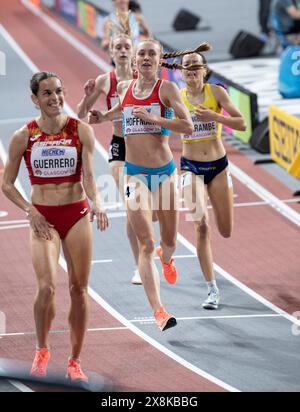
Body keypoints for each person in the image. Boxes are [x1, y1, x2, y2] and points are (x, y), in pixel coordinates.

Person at [1, 71, 108, 381]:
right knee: (47, 287)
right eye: (47, 93)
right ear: (35, 99)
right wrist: (29, 209)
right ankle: (42, 348)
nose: (55, 98)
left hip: (75, 213)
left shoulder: (81, 130)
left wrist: (97, 202)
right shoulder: (23, 136)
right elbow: (6, 184)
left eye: (58, 91)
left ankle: (74, 361)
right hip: (43, 217)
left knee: (78, 289)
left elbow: (88, 175)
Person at [88, 38, 197, 331]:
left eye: (151, 54)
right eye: (141, 54)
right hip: (133, 173)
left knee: (169, 241)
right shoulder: (124, 89)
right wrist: (102, 117)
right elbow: (117, 113)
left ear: (159, 61)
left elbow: (187, 126)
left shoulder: (167, 89)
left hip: (164, 173)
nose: (145, 57)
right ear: (134, 61)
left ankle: (168, 256)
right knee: (146, 243)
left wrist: (154, 118)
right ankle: (159, 311)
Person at [163, 46, 246, 309]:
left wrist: (214, 116)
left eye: (196, 65)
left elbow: (242, 123)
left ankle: (211, 283)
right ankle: (212, 289)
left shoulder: (216, 92)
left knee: (226, 231)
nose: (191, 70)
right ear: (181, 72)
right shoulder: (178, 98)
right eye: (186, 66)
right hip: (190, 167)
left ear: (204, 70)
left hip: (219, 167)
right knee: (202, 226)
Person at [77, 33, 142, 285]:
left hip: (146, 146)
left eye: (127, 46)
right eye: (118, 47)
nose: (123, 50)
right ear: (112, 53)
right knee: (131, 206)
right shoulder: (106, 80)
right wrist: (88, 94)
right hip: (120, 146)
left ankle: (155, 247)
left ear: (133, 51)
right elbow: (81, 112)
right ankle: (140, 265)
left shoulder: (143, 78)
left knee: (152, 212)